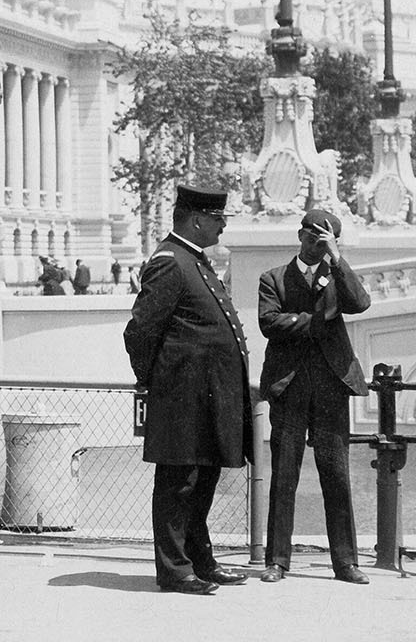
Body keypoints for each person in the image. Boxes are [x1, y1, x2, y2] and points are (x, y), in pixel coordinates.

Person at [122, 184, 252, 595]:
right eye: (218, 219)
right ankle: (175, 570)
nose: (223, 226)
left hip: (205, 399)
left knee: (202, 482)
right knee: (179, 485)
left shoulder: (192, 260)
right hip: (182, 399)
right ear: (196, 220)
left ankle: (200, 561)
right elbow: (140, 332)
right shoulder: (170, 262)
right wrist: (156, 384)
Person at [257, 209, 372, 585]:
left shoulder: (336, 274)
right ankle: (277, 561)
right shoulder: (273, 278)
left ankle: (345, 562)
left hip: (329, 386)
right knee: (284, 476)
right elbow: (269, 323)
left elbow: (360, 303)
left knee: (336, 475)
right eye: (311, 237)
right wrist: (320, 321)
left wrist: (337, 258)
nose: (314, 245)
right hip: (289, 387)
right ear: (299, 234)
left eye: (323, 240)